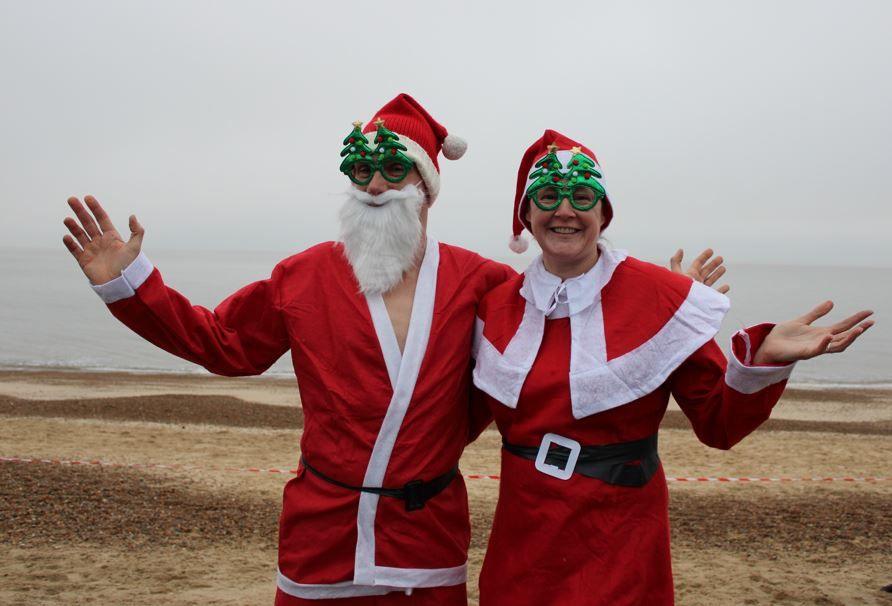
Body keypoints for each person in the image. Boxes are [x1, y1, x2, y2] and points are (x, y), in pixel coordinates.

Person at [62, 95, 724, 605]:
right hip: (321, 533)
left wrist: (663, 298)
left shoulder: (482, 284)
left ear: (426, 187)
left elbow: (561, 338)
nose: (376, 186)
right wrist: (131, 285)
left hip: (426, 537)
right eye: (362, 170)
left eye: (394, 170)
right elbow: (222, 343)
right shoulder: (302, 276)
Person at [470, 129, 874, 605]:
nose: (564, 210)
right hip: (523, 540)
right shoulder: (494, 306)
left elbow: (719, 425)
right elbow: (452, 417)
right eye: (547, 196)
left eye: (582, 196)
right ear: (527, 214)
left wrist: (762, 360)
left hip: (619, 538)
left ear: (603, 213)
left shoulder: (665, 296)